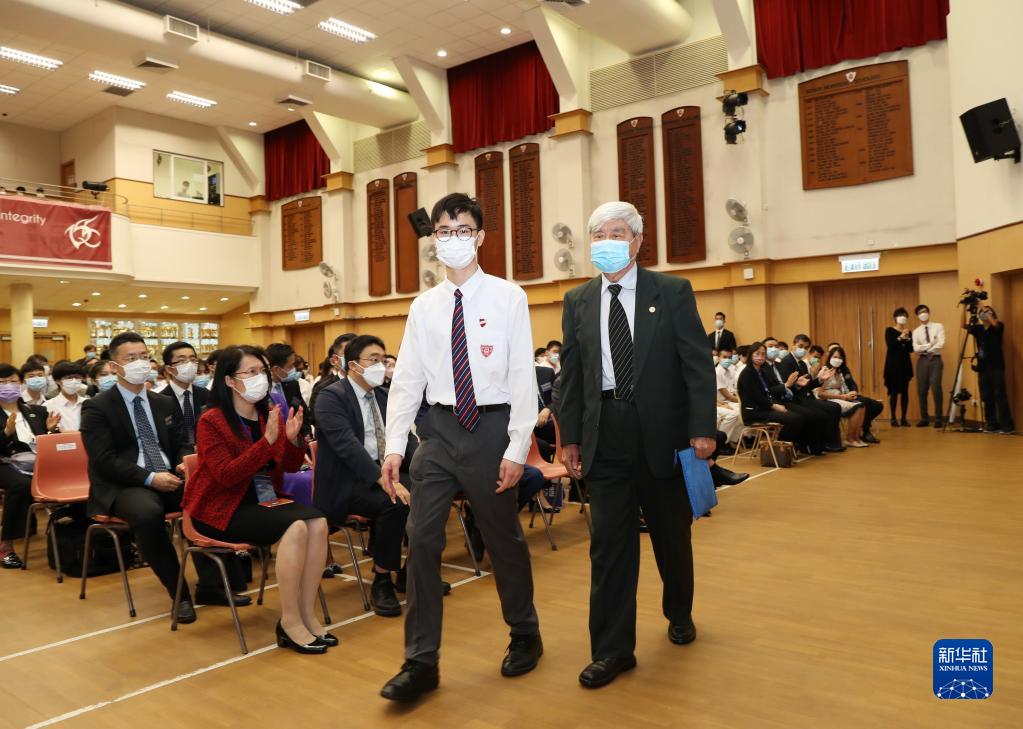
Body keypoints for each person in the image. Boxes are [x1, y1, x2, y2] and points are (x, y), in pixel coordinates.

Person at [380, 192, 542, 701]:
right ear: (434, 239)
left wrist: (516, 448)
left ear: (480, 236)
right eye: (444, 231)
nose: (453, 238)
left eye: (462, 229)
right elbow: (407, 379)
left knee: (502, 539)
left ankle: (525, 632)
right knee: (422, 539)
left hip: (491, 429)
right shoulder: (424, 306)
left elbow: (523, 377)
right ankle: (420, 661)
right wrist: (394, 446)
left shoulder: (508, 297)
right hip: (439, 431)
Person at [558, 200, 716, 689]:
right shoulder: (578, 300)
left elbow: (697, 365)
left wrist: (703, 428)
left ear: (638, 240)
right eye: (599, 234)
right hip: (605, 433)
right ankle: (612, 651)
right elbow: (571, 375)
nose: (607, 241)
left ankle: (679, 611)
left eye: (617, 233)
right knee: (609, 547)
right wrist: (570, 437)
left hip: (662, 434)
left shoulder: (671, 291)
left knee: (671, 536)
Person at [79, 332, 245, 622]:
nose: (141, 363)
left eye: (144, 357)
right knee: (147, 513)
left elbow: (181, 442)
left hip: (169, 476)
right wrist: (150, 478)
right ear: (114, 366)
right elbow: (104, 460)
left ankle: (213, 586)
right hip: (125, 484)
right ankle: (179, 593)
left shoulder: (163, 402)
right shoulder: (97, 407)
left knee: (210, 495)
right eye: (131, 358)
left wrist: (182, 463)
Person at [184, 345, 330, 653]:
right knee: (296, 527)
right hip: (223, 508)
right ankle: (289, 621)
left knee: (318, 521)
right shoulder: (212, 421)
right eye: (251, 372)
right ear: (229, 380)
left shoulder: (268, 414)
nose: (259, 378)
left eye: (261, 371)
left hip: (264, 500)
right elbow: (226, 475)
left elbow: (289, 466)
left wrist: (292, 440)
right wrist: (267, 442)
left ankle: (307, 612)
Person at [313, 335, 413, 617]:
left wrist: (424, 465)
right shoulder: (331, 397)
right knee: (394, 502)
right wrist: (386, 481)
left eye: (383, 359)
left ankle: (410, 571)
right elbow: (347, 446)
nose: (381, 366)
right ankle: (382, 579)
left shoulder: (384, 395)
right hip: (347, 481)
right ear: (354, 365)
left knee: (432, 491)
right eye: (374, 360)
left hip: (385, 471)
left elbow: (403, 437)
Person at [0, 363, 61, 568]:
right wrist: (6, 433)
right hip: (5, 462)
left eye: (12, 381)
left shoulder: (36, 410)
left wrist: (50, 431)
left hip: (36, 461)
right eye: (2, 382)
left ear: (20, 383)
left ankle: (71, 531)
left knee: (78, 476)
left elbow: (46, 443)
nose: (8, 385)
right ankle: (5, 545)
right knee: (21, 484)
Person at [777, 335, 845, 453]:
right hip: (794, 399)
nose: (803, 350)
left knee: (834, 407)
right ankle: (813, 446)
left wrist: (820, 379)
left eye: (806, 348)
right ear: (793, 345)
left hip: (805, 397)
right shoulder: (786, 362)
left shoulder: (802, 364)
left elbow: (806, 385)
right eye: (800, 346)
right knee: (821, 414)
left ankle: (830, 442)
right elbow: (788, 387)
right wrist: (798, 385)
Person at [736, 341, 807, 445]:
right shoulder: (747, 373)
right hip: (754, 412)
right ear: (750, 355)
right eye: (757, 354)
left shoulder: (761, 371)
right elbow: (757, 397)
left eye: (763, 354)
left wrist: (776, 404)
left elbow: (768, 392)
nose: (760, 357)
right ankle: (780, 447)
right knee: (794, 419)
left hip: (764, 408)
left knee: (797, 417)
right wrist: (774, 406)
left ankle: (785, 447)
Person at [967, 304, 1014, 433]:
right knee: (986, 396)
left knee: (1000, 395)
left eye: (987, 312)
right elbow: (963, 326)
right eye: (982, 312)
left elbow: (995, 324)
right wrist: (965, 307)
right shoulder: (978, 329)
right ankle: (992, 424)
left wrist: (982, 306)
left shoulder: (998, 326)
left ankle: (1006, 425)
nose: (983, 313)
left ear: (992, 314)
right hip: (982, 367)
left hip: (996, 366)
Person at [815, 347, 868, 447]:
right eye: (835, 357)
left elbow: (847, 385)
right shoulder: (824, 370)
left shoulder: (840, 371)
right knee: (858, 407)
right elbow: (820, 394)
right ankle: (849, 439)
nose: (837, 360)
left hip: (840, 396)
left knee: (862, 405)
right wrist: (842, 397)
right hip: (829, 399)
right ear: (830, 357)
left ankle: (856, 437)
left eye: (840, 358)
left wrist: (850, 394)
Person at [158, 341, 207, 447]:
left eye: (193, 360)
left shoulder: (207, 395)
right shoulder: (160, 400)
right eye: (182, 361)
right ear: (169, 369)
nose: (189, 365)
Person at [265, 343, 314, 440]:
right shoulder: (263, 390)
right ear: (276, 369)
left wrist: (307, 434)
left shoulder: (293, 385)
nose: (294, 369)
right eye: (290, 366)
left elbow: (303, 411)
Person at [912, 304, 945, 427]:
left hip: (935, 360)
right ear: (917, 316)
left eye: (925, 311)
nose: (923, 314)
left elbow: (941, 343)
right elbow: (915, 348)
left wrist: (926, 348)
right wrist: (930, 344)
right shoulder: (916, 331)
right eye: (920, 312)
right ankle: (924, 418)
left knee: (936, 389)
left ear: (929, 312)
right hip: (922, 361)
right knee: (922, 390)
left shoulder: (938, 326)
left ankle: (938, 419)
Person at [309, 333, 356, 413]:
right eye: (347, 354)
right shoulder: (323, 388)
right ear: (335, 359)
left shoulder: (368, 384)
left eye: (356, 353)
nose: (353, 358)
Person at [884, 308, 914, 427]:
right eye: (900, 315)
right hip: (893, 365)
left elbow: (911, 349)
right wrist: (901, 337)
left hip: (905, 365)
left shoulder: (908, 332)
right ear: (895, 317)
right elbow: (891, 346)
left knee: (905, 392)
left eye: (905, 315)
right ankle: (893, 418)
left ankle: (904, 419)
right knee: (894, 392)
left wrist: (908, 338)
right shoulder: (889, 330)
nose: (903, 317)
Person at [45, 361, 88, 432]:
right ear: (57, 381)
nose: (74, 381)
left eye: (77, 377)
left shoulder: (88, 403)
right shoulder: (48, 405)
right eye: (69, 378)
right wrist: (53, 430)